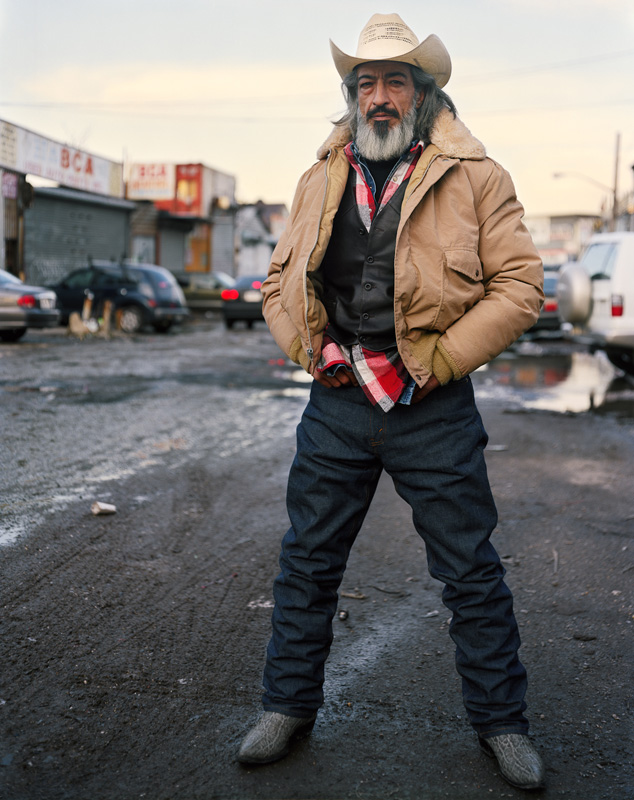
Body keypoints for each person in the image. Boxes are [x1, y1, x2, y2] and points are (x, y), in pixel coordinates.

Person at [238, 13, 546, 791]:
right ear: (352, 95)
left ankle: (502, 723)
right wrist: (310, 349)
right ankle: (286, 706)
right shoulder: (319, 177)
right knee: (306, 564)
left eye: (395, 82)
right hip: (337, 401)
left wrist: (441, 360)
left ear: (422, 92)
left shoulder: (477, 177)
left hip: (432, 405)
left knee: (470, 572)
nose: (379, 97)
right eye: (366, 83)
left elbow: (519, 288)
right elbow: (278, 284)